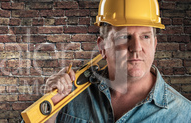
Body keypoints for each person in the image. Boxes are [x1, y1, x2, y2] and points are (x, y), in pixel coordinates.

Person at [44, 0, 191, 122]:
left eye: (145, 37)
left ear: (155, 44)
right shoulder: (69, 96)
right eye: (124, 37)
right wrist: (48, 110)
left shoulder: (184, 115)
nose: (136, 48)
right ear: (102, 47)